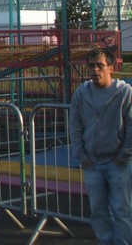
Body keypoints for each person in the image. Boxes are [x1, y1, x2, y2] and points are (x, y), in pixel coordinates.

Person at [70, 46, 132, 244]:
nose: (95, 70)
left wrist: (124, 155)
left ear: (110, 68)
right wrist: (82, 156)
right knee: (98, 211)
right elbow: (75, 125)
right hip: (93, 163)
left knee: (122, 210)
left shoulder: (124, 93)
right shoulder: (81, 94)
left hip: (118, 163)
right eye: (91, 66)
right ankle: (105, 241)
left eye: (100, 65)